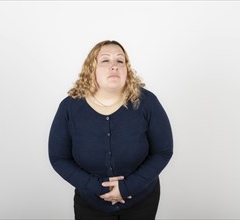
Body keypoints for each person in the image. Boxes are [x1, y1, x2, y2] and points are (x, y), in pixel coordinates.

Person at [48, 40, 173, 220]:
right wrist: (100, 188)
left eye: (120, 61)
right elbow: (59, 158)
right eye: (105, 60)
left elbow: (163, 151)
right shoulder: (70, 107)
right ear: (91, 69)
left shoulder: (147, 102)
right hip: (91, 203)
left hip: (142, 201)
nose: (114, 66)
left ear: (127, 69)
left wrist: (127, 187)